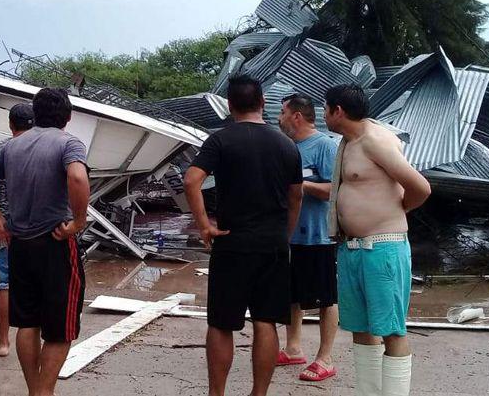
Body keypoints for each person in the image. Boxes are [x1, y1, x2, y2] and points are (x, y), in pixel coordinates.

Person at [183, 75, 303, 396]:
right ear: (262, 103)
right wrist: (285, 234)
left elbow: (191, 180)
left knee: (222, 324)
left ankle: (217, 393)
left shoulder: (220, 140)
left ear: (230, 105)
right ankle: (258, 394)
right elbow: (296, 197)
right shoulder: (287, 145)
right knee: (266, 321)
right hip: (273, 245)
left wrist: (204, 225)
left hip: (232, 242)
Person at [0, 88, 89, 396]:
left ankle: (34, 390)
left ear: (36, 114)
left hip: (20, 244)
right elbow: (77, 177)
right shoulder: (69, 142)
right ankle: (43, 392)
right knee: (60, 330)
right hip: (55, 243)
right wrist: (78, 222)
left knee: (28, 323)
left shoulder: (13, 146)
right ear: (68, 116)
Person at [323, 84, 431, 396]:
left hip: (382, 247)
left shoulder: (374, 141)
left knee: (392, 330)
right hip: (353, 248)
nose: (324, 115)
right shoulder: (350, 142)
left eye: (326, 108)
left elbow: (420, 187)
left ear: (338, 111)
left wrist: (396, 210)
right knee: (361, 328)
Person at [277, 94, 340, 382]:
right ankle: (293, 348)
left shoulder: (325, 145)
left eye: (282, 113)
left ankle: (325, 358)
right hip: (290, 234)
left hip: (318, 236)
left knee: (326, 297)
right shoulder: (288, 148)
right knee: (290, 295)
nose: (278, 119)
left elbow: (333, 190)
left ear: (297, 117)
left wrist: (301, 185)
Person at [0, 103, 34, 358]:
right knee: (36, 285)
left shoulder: (1, 148)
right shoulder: (42, 147)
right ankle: (34, 339)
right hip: (36, 226)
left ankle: (4, 343)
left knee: (6, 284)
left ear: (10, 124)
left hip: (7, 225)